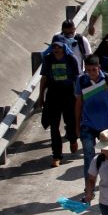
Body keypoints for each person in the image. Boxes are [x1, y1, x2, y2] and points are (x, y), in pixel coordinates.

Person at [75, 55, 108, 177]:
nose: (91, 73)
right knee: (88, 156)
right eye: (88, 70)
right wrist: (77, 126)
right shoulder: (81, 81)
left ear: (99, 67)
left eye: (94, 69)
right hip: (87, 124)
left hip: (107, 125)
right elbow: (78, 104)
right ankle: (89, 186)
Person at [37, 38, 80, 167]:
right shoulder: (48, 59)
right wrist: (41, 96)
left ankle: (73, 139)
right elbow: (44, 78)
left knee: (70, 122)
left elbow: (77, 78)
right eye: (54, 47)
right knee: (54, 126)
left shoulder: (71, 59)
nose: (56, 49)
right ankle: (56, 155)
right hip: (53, 94)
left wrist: (79, 97)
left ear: (64, 47)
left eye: (59, 47)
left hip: (69, 94)